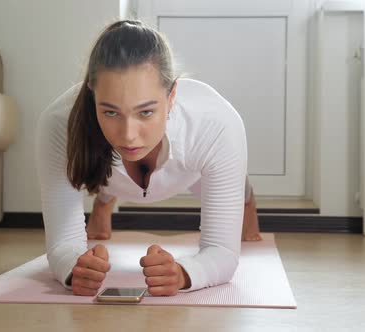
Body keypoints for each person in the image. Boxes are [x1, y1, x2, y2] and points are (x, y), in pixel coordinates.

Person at [36, 20, 262, 297]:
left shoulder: (216, 123)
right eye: (110, 112)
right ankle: (104, 201)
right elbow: (62, 245)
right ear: (92, 92)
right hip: (109, 172)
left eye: (145, 112)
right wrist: (75, 268)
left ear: (171, 96)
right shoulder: (59, 123)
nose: (129, 135)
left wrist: (183, 274)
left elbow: (223, 252)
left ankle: (248, 200)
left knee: (242, 198)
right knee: (107, 170)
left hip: (190, 170)